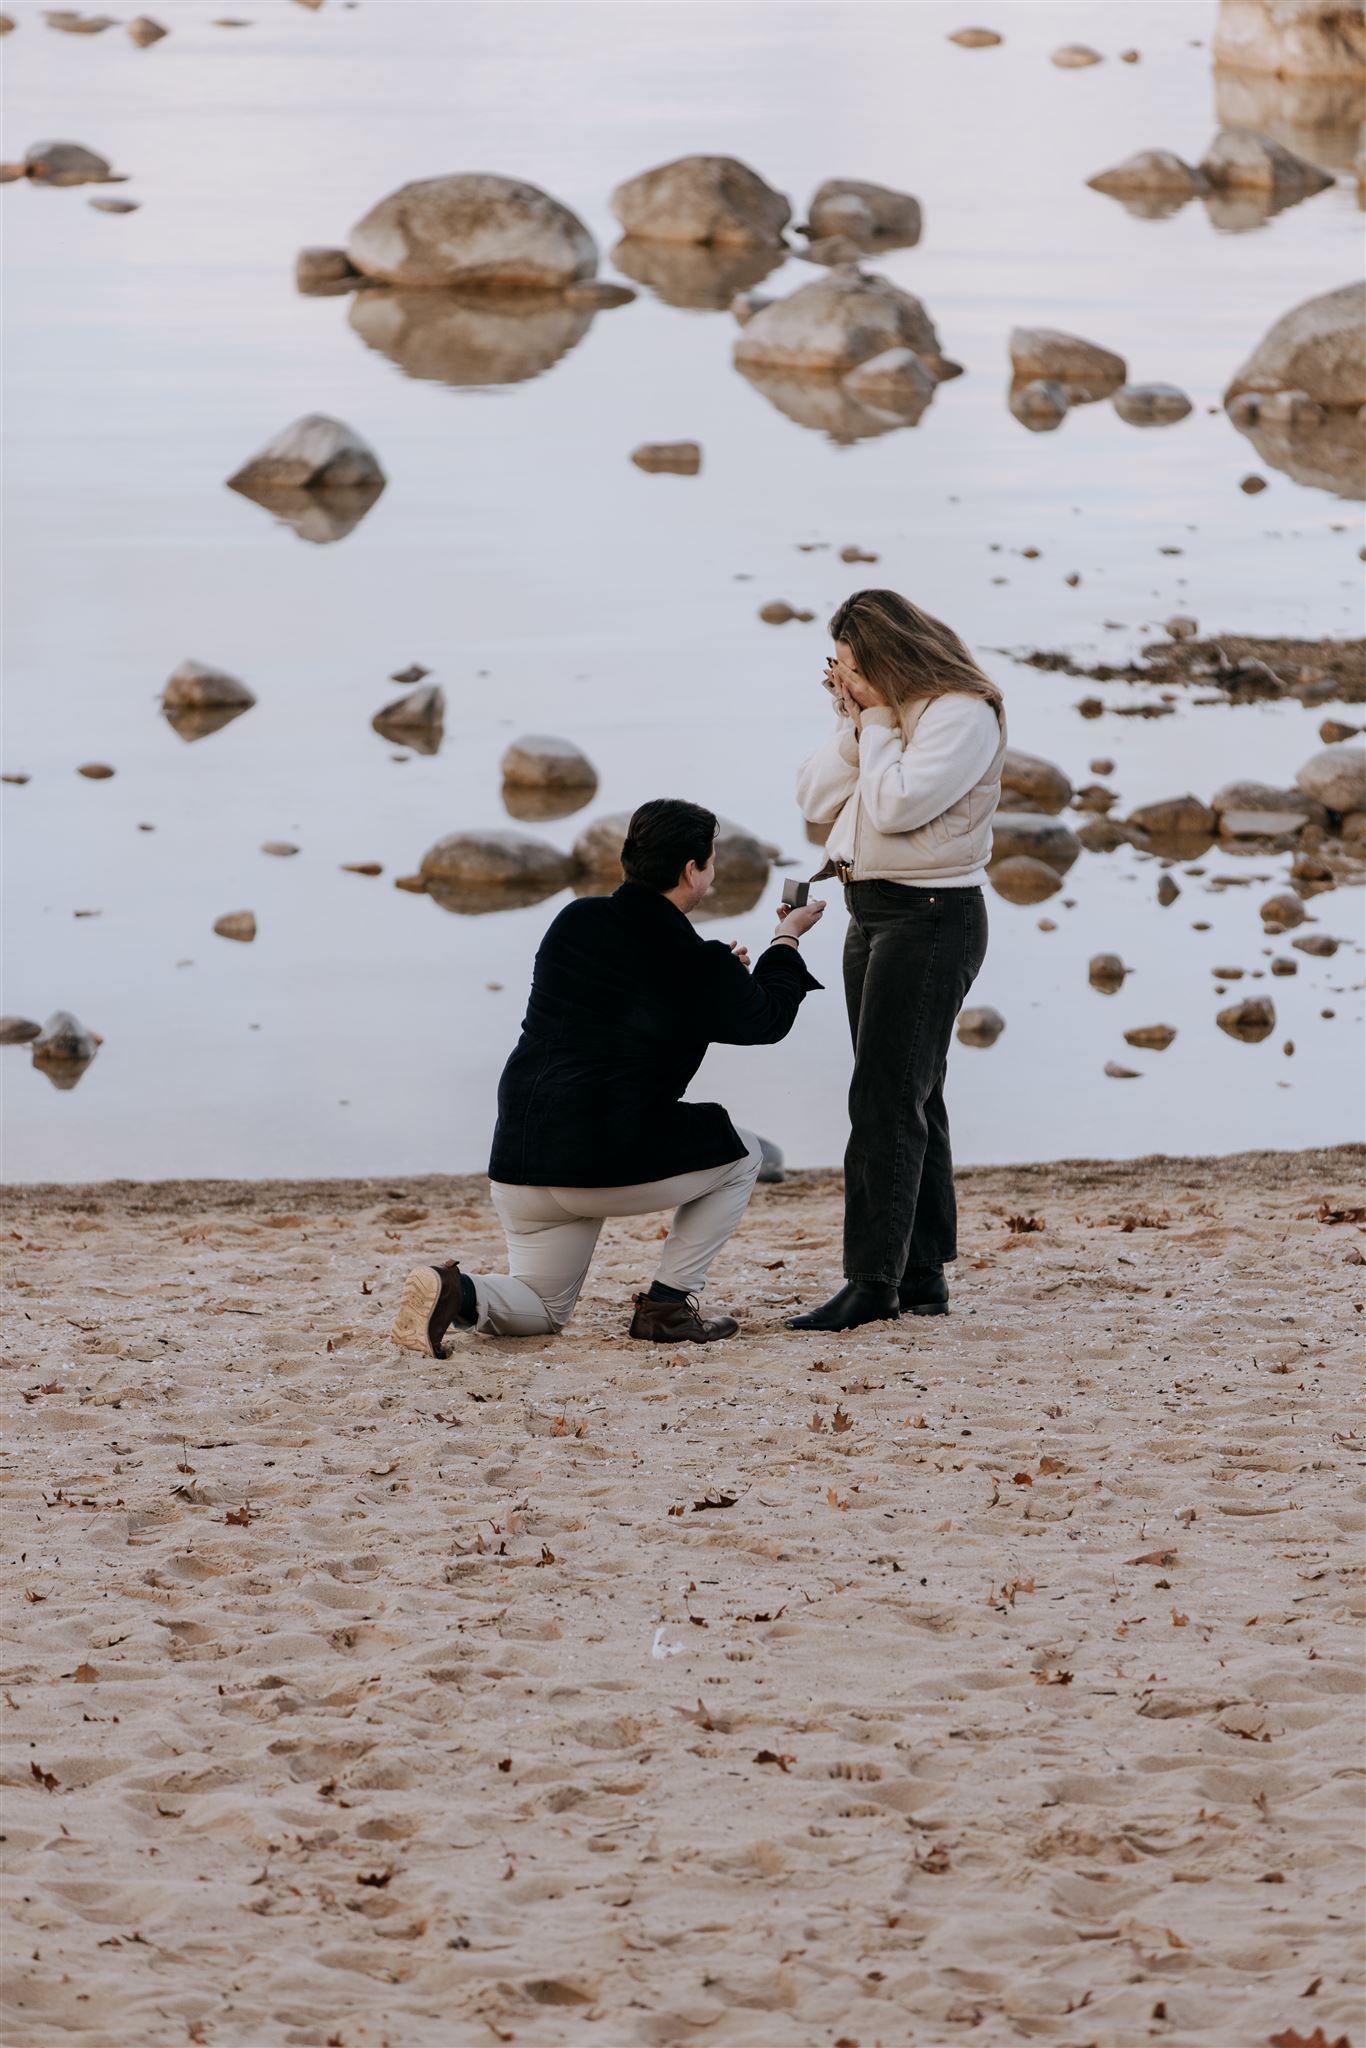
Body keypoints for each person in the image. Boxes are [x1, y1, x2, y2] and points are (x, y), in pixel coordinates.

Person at [391, 798, 825, 1355]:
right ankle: (668, 1307)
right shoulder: (699, 963)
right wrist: (785, 940)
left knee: (543, 1306)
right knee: (742, 1155)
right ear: (691, 870)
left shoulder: (575, 920)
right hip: (601, 1154)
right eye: (710, 862)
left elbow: (626, 992)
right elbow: (767, 1021)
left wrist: (720, 981)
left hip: (520, 1152)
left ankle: (455, 1289)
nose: (712, 873)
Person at [787, 589, 1006, 1333]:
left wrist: (877, 720)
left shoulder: (960, 713)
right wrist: (856, 722)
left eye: (850, 666)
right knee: (913, 1097)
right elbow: (816, 797)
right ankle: (920, 1276)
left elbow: (895, 807)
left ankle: (872, 1283)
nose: (841, 679)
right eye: (836, 668)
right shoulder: (878, 718)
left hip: (932, 917)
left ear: (886, 657)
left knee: (883, 1100)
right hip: (872, 912)